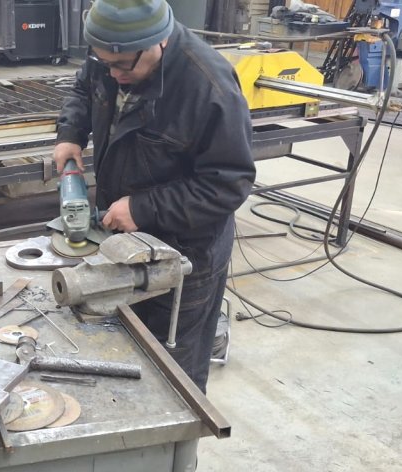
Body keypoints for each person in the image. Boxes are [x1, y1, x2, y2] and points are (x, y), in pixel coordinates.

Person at [53, 0, 256, 392]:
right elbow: (83, 89)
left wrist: (143, 208)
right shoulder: (111, 56)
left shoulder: (207, 87)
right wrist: (70, 133)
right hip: (123, 244)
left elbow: (228, 184)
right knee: (124, 352)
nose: (113, 74)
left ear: (158, 42)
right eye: (103, 62)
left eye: (122, 66)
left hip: (182, 257)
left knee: (172, 376)